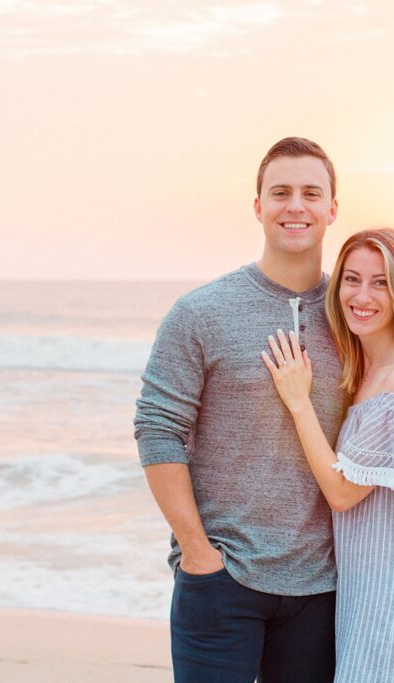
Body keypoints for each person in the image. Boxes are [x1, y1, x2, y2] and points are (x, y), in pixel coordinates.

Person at [134, 137, 345, 683]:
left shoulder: (355, 317)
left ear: (331, 209)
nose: (294, 206)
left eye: (310, 193)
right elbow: (157, 430)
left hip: (322, 588)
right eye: (280, 192)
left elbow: (393, 402)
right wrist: (199, 554)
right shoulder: (201, 313)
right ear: (258, 207)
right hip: (221, 580)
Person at [262, 227, 394, 683]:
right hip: (364, 593)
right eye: (352, 279)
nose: (362, 295)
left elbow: (343, 494)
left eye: (381, 282)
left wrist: (298, 401)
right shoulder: (367, 372)